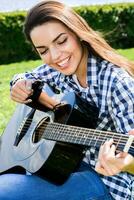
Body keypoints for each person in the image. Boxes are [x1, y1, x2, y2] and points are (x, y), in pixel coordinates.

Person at [0, 0, 134, 199]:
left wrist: (125, 163)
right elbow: (27, 76)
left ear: (78, 33)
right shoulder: (56, 72)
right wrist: (19, 83)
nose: (55, 56)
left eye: (61, 41)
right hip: (62, 163)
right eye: (43, 50)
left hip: (105, 181)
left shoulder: (117, 82)